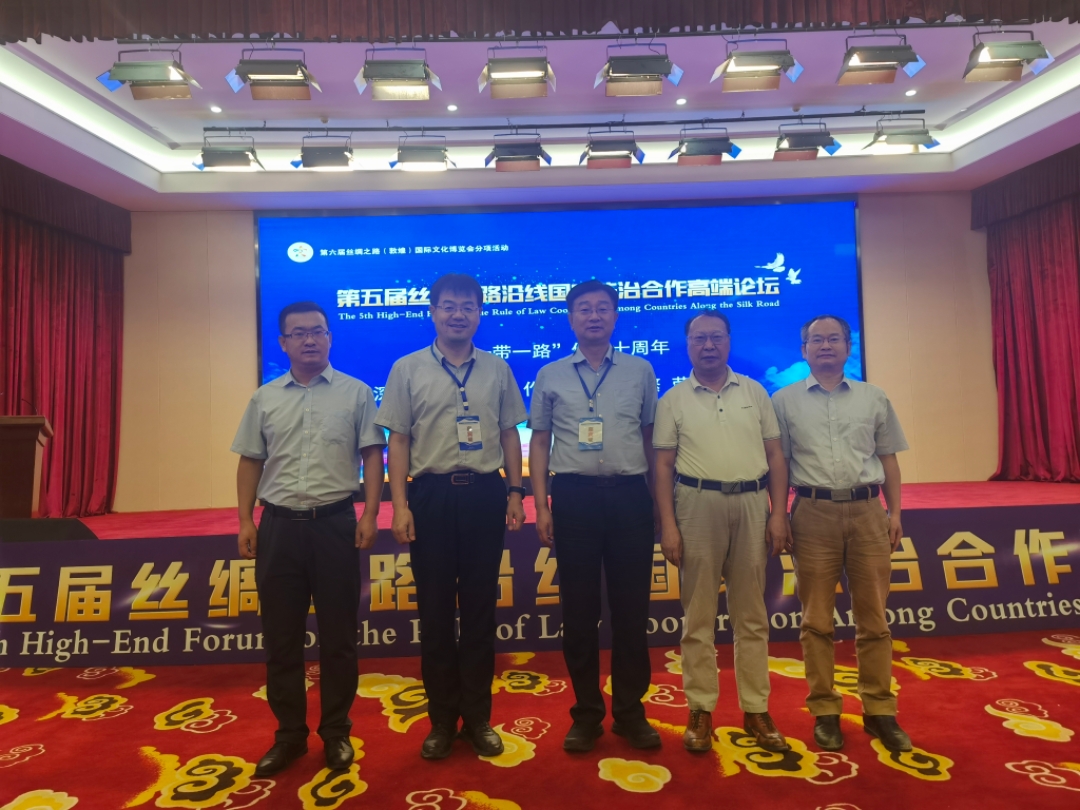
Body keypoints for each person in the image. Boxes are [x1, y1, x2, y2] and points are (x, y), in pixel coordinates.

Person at [376, 273, 528, 760]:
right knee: (436, 613)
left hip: (485, 493)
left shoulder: (498, 369)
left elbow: (510, 434)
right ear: (433, 311)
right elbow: (399, 441)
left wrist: (515, 492)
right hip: (432, 497)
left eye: (467, 306)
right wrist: (400, 505)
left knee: (481, 612)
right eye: (448, 305)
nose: (458, 314)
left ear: (480, 313)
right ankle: (442, 721)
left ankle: (478, 718)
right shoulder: (406, 369)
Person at [232, 301, 385, 777]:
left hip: (335, 524)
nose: (309, 340)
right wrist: (245, 520)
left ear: (330, 337)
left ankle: (336, 732)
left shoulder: (357, 393)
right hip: (278, 528)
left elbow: (372, 456)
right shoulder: (264, 398)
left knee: (339, 639)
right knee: (281, 640)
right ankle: (290, 736)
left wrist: (370, 513)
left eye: (317, 331)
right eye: (298, 333)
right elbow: (250, 460)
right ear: (283, 343)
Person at [528, 280, 660, 752]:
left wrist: (657, 502)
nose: (594, 316)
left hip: (629, 497)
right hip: (574, 497)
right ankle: (586, 714)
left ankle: (629, 712)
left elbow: (650, 438)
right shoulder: (550, 374)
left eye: (603, 308)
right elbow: (539, 441)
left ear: (615, 316)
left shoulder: (640, 371)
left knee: (631, 611)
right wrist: (541, 504)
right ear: (571, 319)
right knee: (579, 612)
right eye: (584, 309)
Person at [771, 314, 911, 753]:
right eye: (817, 340)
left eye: (835, 339)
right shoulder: (783, 401)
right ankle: (825, 710)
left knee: (874, 619)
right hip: (812, 514)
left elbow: (888, 459)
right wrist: (780, 515)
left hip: (869, 512)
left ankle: (880, 710)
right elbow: (779, 464)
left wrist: (895, 513)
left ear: (849, 347)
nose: (826, 346)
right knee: (816, 619)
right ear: (804, 350)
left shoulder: (874, 397)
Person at [653, 309, 792, 754]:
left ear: (729, 341)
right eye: (699, 338)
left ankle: (756, 709)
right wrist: (668, 525)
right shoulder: (672, 399)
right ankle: (700, 709)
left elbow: (776, 457)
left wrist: (778, 513)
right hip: (696, 505)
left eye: (716, 337)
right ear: (688, 344)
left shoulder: (755, 392)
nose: (708, 345)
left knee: (751, 614)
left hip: (752, 504)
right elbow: (662, 466)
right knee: (697, 616)